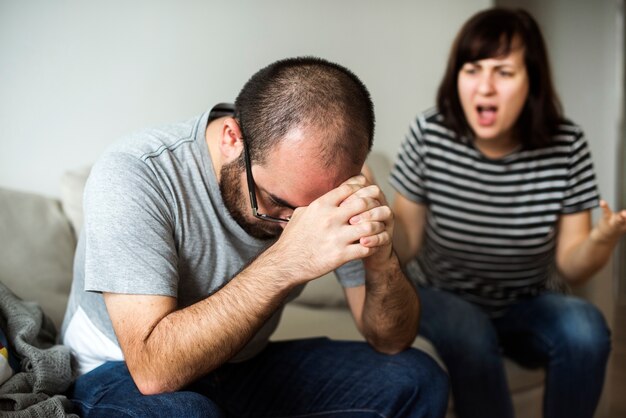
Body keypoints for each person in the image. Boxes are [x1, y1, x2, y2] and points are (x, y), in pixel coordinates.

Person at [60, 56, 449, 417]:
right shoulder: (135, 173)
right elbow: (152, 371)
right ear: (233, 138)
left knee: (417, 377)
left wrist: (381, 261)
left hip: (240, 367)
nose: (289, 226)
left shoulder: (332, 186)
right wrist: (288, 261)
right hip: (116, 371)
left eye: (308, 212)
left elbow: (390, 341)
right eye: (275, 202)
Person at [388, 8, 625, 418]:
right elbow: (405, 243)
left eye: (504, 72)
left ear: (531, 81)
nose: (485, 87)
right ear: (456, 76)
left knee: (586, 330)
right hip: (441, 297)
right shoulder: (429, 133)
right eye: (473, 69)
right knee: (469, 328)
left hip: (526, 303)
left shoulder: (566, 144)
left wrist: (602, 239)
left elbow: (572, 266)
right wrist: (375, 219)